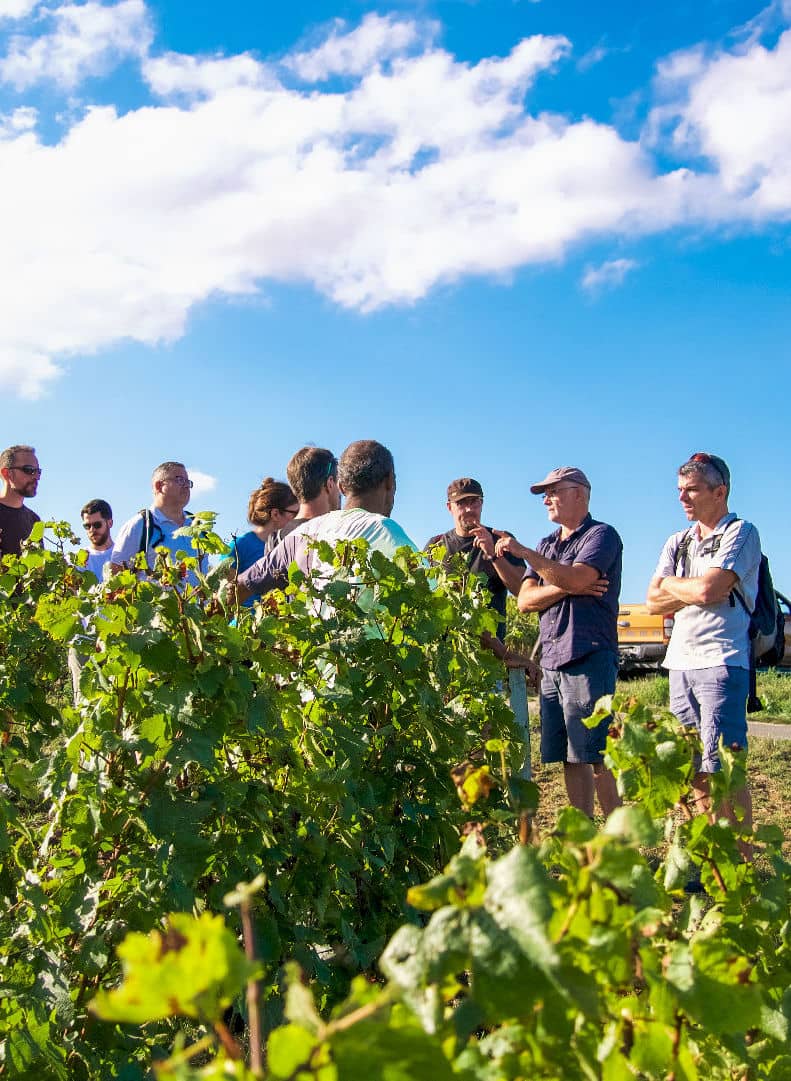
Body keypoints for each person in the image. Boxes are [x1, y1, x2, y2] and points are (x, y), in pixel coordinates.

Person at [646, 452, 759, 853]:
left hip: (722, 662)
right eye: (680, 491)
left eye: (692, 490)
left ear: (720, 491)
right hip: (680, 665)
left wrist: (677, 586)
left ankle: (740, 865)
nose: (683, 499)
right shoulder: (678, 542)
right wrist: (688, 587)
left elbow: (708, 591)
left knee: (725, 769)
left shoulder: (741, 533)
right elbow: (652, 600)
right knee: (693, 768)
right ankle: (710, 859)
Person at [494, 467, 622, 818]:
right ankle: (582, 840)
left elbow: (578, 576)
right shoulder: (548, 544)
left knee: (597, 754)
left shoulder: (601, 535)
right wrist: (569, 584)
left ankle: (618, 845)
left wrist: (526, 555)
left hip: (588, 655)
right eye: (544, 494)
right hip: (553, 659)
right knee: (569, 755)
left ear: (580, 493)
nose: (547, 499)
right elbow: (524, 600)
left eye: (554, 491)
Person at [235, 440, 415, 604]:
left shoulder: (297, 537)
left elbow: (241, 585)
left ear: (342, 486)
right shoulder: (386, 532)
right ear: (390, 481)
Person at [111, 462, 207, 586]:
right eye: (180, 480)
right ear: (158, 486)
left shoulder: (197, 525)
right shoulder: (140, 525)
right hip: (158, 604)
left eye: (188, 482)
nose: (186, 486)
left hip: (198, 605)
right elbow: (117, 576)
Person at [225, 479, 299, 576]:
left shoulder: (293, 545)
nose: (299, 517)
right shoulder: (239, 547)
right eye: (295, 513)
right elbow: (225, 588)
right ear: (275, 514)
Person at [0, 444, 41, 557]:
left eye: (38, 471)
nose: (37, 477)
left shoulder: (34, 521)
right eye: (29, 470)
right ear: (7, 473)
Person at [79, 499, 114, 580]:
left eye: (97, 525)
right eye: (87, 526)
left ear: (110, 523)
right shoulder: (77, 561)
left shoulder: (123, 555)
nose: (92, 530)